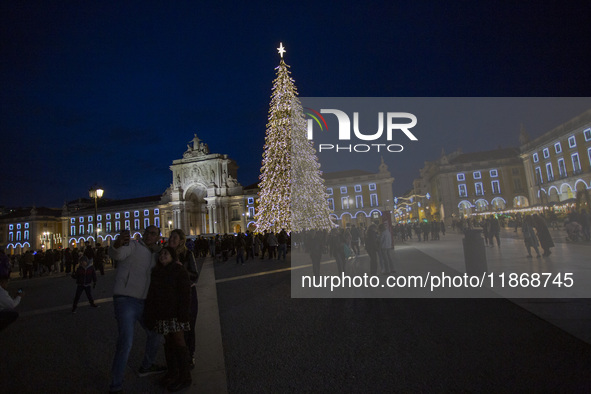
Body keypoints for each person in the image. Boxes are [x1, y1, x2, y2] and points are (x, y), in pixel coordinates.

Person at [107, 226, 165, 394]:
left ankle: (146, 365)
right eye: (147, 232)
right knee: (126, 341)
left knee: (155, 333)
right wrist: (117, 244)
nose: (149, 235)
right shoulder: (132, 246)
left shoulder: (156, 255)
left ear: (157, 237)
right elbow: (116, 254)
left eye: (153, 234)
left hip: (143, 302)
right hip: (125, 300)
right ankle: (116, 385)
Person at [144, 246, 192, 392]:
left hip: (176, 314)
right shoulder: (156, 272)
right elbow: (152, 296)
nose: (162, 255)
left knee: (179, 342)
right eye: (161, 254)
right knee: (168, 343)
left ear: (172, 256)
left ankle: (185, 377)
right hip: (163, 314)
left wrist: (184, 315)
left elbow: (185, 294)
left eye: (166, 253)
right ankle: (173, 373)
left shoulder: (179, 270)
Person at [167, 229, 199, 369]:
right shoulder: (164, 254)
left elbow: (195, 275)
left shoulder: (187, 254)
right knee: (173, 331)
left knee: (189, 328)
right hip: (171, 298)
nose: (171, 239)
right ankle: (176, 361)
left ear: (181, 240)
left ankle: (190, 355)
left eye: (175, 237)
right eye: (170, 237)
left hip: (188, 296)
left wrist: (182, 270)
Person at [71, 247, 99, 312]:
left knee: (89, 295)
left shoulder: (90, 268)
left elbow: (93, 275)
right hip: (80, 284)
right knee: (77, 296)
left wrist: (94, 281)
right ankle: (74, 307)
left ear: (86, 261)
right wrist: (73, 276)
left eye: (83, 262)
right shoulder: (80, 268)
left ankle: (92, 303)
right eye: (81, 262)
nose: (82, 263)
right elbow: (77, 276)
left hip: (87, 283)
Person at [0, 253, 22, 331]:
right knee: (12, 314)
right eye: (6, 282)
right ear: (2, 282)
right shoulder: (1, 292)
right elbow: (11, 305)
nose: (7, 284)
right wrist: (19, 296)